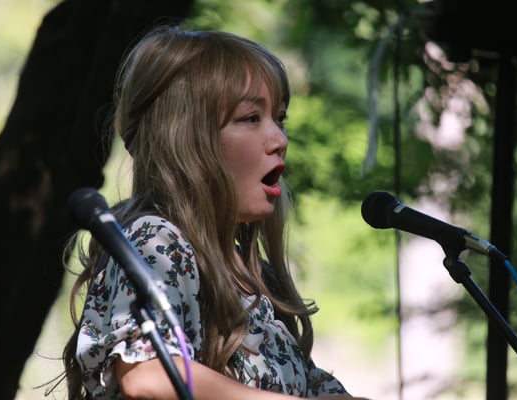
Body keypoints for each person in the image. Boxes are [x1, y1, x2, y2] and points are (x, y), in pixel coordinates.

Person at [61, 25, 371, 400]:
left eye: (280, 119)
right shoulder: (156, 239)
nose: (280, 140)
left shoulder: (253, 276)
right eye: (251, 118)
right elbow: (147, 374)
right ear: (187, 138)